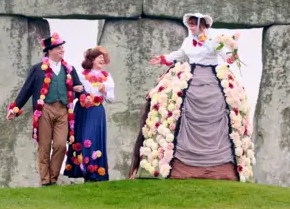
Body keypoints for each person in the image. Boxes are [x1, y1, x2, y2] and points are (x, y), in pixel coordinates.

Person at [128, 13, 255, 182]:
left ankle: (222, 167)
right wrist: (163, 58)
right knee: (169, 100)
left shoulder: (215, 40)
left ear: (202, 25)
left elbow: (226, 57)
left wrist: (233, 53)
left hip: (211, 77)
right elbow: (180, 54)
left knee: (223, 106)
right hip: (190, 74)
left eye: (194, 24)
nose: (191, 27)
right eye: (190, 24)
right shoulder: (188, 41)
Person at [7, 32, 84, 187]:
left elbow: (78, 89)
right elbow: (26, 90)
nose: (62, 50)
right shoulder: (38, 69)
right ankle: (45, 181)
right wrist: (15, 108)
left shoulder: (70, 69)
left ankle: (53, 178)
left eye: (63, 47)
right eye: (59, 47)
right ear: (50, 50)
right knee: (44, 146)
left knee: (61, 145)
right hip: (44, 110)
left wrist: (79, 91)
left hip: (63, 110)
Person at [63, 46, 115, 182]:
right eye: (99, 57)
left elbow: (111, 99)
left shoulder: (107, 77)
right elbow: (74, 91)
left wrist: (104, 92)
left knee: (93, 139)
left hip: (97, 111)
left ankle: (93, 173)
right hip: (82, 110)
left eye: (104, 59)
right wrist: (80, 94)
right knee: (82, 139)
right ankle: (84, 170)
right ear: (92, 59)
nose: (102, 60)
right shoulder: (81, 74)